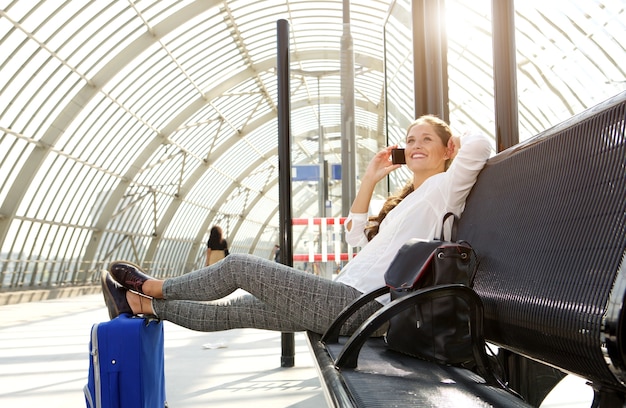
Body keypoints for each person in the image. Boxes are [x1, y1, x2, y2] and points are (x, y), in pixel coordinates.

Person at [101, 115, 492, 336]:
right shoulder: (408, 199)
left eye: (427, 139)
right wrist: (370, 179)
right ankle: (140, 305)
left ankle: (152, 286)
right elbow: (355, 236)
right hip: (348, 298)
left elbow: (480, 145)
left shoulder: (446, 189)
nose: (417, 144)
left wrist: (455, 138)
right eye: (410, 140)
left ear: (448, 149)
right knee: (238, 310)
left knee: (240, 268)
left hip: (366, 306)